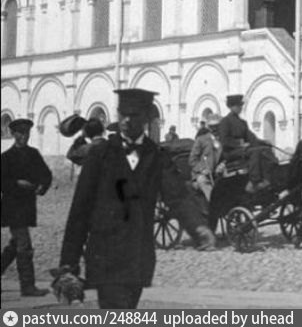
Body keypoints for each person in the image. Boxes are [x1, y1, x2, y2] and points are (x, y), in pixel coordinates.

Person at [58, 88, 217, 309]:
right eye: (122, 114)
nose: (126, 120)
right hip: (105, 254)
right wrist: (69, 263)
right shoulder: (100, 153)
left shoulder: (157, 155)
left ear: (146, 118)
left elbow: (177, 196)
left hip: (137, 255)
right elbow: (80, 209)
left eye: (133, 115)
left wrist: (197, 227)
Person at [1, 118, 53, 297]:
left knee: (16, 244)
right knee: (24, 245)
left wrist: (42, 186)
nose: (24, 137)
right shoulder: (5, 158)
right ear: (13, 134)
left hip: (28, 206)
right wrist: (16, 183)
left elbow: (46, 174)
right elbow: (2, 182)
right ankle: (27, 286)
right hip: (12, 207)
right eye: (20, 133)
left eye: (27, 133)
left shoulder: (34, 154)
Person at [216, 94, 278, 193]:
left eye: (240, 105)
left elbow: (251, 138)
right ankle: (254, 181)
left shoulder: (242, 122)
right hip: (231, 152)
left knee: (265, 149)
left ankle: (270, 175)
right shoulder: (225, 121)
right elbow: (224, 141)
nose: (240, 108)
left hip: (243, 150)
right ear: (231, 107)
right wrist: (240, 143)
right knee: (256, 152)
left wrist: (263, 142)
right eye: (238, 106)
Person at [188, 115, 221, 201]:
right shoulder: (201, 140)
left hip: (218, 175)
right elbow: (192, 160)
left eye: (217, 126)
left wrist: (223, 164)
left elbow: (226, 156)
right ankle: (214, 204)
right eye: (212, 127)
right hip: (202, 175)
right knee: (203, 181)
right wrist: (203, 169)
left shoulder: (223, 140)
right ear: (208, 127)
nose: (214, 129)